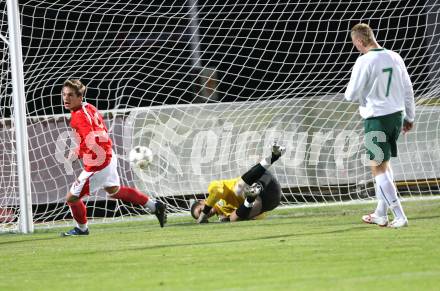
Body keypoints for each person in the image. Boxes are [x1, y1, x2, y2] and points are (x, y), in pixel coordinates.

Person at [61, 79, 166, 236]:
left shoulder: (79, 117)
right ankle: (154, 205)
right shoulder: (89, 108)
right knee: (114, 190)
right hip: (108, 156)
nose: (65, 98)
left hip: (98, 164)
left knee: (72, 198)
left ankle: (81, 229)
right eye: (63, 94)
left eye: (70, 95)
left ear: (80, 96)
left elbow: (92, 139)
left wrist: (78, 152)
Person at [345, 23, 415, 228]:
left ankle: (399, 215)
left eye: (354, 43)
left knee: (377, 168)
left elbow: (350, 95)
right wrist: (409, 117)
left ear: (359, 41)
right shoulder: (394, 56)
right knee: (384, 165)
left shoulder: (364, 61)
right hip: (396, 117)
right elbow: (408, 88)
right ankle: (380, 214)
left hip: (376, 119)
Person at [191, 142, 285, 223]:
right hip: (269, 200)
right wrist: (227, 219)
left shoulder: (215, 193)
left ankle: (274, 156)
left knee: (238, 189)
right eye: (202, 217)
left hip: (263, 180)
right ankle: (251, 197)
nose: (205, 215)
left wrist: (204, 213)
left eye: (200, 211)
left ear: (202, 201)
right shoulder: (224, 215)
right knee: (233, 219)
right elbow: (256, 215)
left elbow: (216, 190)